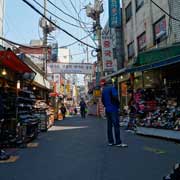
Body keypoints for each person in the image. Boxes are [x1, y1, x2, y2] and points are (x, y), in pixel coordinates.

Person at [102, 79, 128, 147]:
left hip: (107, 109)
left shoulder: (104, 90)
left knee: (109, 126)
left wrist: (106, 106)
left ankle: (110, 142)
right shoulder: (112, 88)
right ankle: (118, 142)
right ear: (111, 83)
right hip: (113, 109)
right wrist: (118, 105)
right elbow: (115, 97)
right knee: (116, 125)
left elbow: (102, 100)